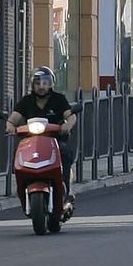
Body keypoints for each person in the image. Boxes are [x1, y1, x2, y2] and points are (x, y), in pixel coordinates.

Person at [6, 67, 79, 215]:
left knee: (64, 153)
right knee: (17, 155)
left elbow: (71, 116)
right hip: (31, 142)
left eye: (45, 83)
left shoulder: (59, 99)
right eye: (38, 83)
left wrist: (67, 125)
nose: (41, 86)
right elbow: (13, 118)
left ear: (51, 84)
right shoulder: (26, 101)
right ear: (32, 85)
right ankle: (22, 184)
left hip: (55, 141)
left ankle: (65, 188)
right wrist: (10, 126)